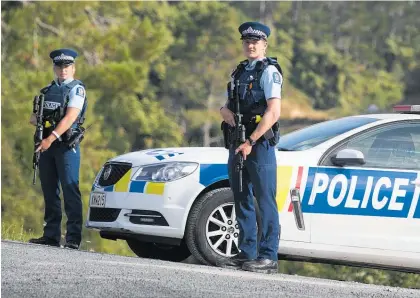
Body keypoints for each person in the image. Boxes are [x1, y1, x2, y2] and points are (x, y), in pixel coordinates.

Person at [217, 22, 283, 274]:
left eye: (256, 41)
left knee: (265, 200)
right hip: (237, 141)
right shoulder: (239, 71)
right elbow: (227, 104)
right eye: (247, 41)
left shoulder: (269, 71)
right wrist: (223, 112)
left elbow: (273, 112)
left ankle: (268, 256)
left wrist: (251, 141)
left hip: (259, 143)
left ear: (264, 44)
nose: (251, 45)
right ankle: (247, 253)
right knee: (241, 196)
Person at [28, 48, 87, 249]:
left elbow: (70, 117)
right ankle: (51, 235)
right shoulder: (47, 91)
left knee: (70, 190)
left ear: (73, 68)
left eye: (67, 66)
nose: (63, 70)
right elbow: (33, 118)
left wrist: (51, 138)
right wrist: (39, 119)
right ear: (54, 67)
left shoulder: (76, 89)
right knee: (49, 190)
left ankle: (72, 238)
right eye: (60, 66)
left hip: (65, 146)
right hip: (47, 146)